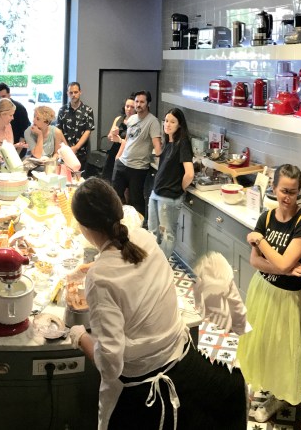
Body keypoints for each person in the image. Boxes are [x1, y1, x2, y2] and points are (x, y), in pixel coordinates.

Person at [67, 178, 247, 430]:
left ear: (83, 227)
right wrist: (89, 268)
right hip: (186, 365)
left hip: (143, 391)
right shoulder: (143, 237)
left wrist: (78, 336)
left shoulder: (99, 278)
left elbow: (110, 365)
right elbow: (128, 269)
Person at [237, 164, 301, 422]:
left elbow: (281, 263)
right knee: (260, 343)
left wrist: (260, 241)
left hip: (288, 298)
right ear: (273, 188)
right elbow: (255, 262)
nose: (288, 197)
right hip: (262, 289)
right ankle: (263, 383)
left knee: (284, 350)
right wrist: (286, 268)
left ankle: (279, 396)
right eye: (283, 191)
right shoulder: (267, 217)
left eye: (293, 192)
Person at [147, 108, 194, 259]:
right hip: (156, 193)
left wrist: (180, 188)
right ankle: (153, 262)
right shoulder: (169, 142)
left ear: (180, 125)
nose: (167, 124)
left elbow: (190, 173)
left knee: (167, 234)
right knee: (152, 231)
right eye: (166, 121)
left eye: (172, 122)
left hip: (169, 197)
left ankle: (161, 265)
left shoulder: (183, 143)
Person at [113, 91, 162, 222]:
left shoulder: (153, 122)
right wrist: (118, 157)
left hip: (138, 169)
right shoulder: (132, 119)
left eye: (142, 102)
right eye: (137, 101)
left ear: (148, 104)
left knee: (136, 202)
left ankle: (138, 230)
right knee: (114, 198)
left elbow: (157, 146)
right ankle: (116, 226)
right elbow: (127, 140)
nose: (138, 104)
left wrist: (162, 162)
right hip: (122, 164)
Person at [55, 81, 95, 166]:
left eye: (76, 92)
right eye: (71, 92)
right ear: (67, 93)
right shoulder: (62, 110)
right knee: (64, 173)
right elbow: (59, 130)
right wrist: (67, 149)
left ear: (80, 92)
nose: (73, 95)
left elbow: (88, 131)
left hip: (82, 152)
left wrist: (76, 147)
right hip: (65, 151)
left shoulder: (88, 110)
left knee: (80, 173)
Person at [102, 96, 135, 182]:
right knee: (107, 178)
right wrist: (113, 133)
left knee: (119, 181)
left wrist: (120, 140)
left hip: (126, 154)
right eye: (127, 106)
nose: (129, 109)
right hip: (114, 151)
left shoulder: (136, 123)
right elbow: (109, 136)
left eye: (132, 107)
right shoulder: (118, 119)